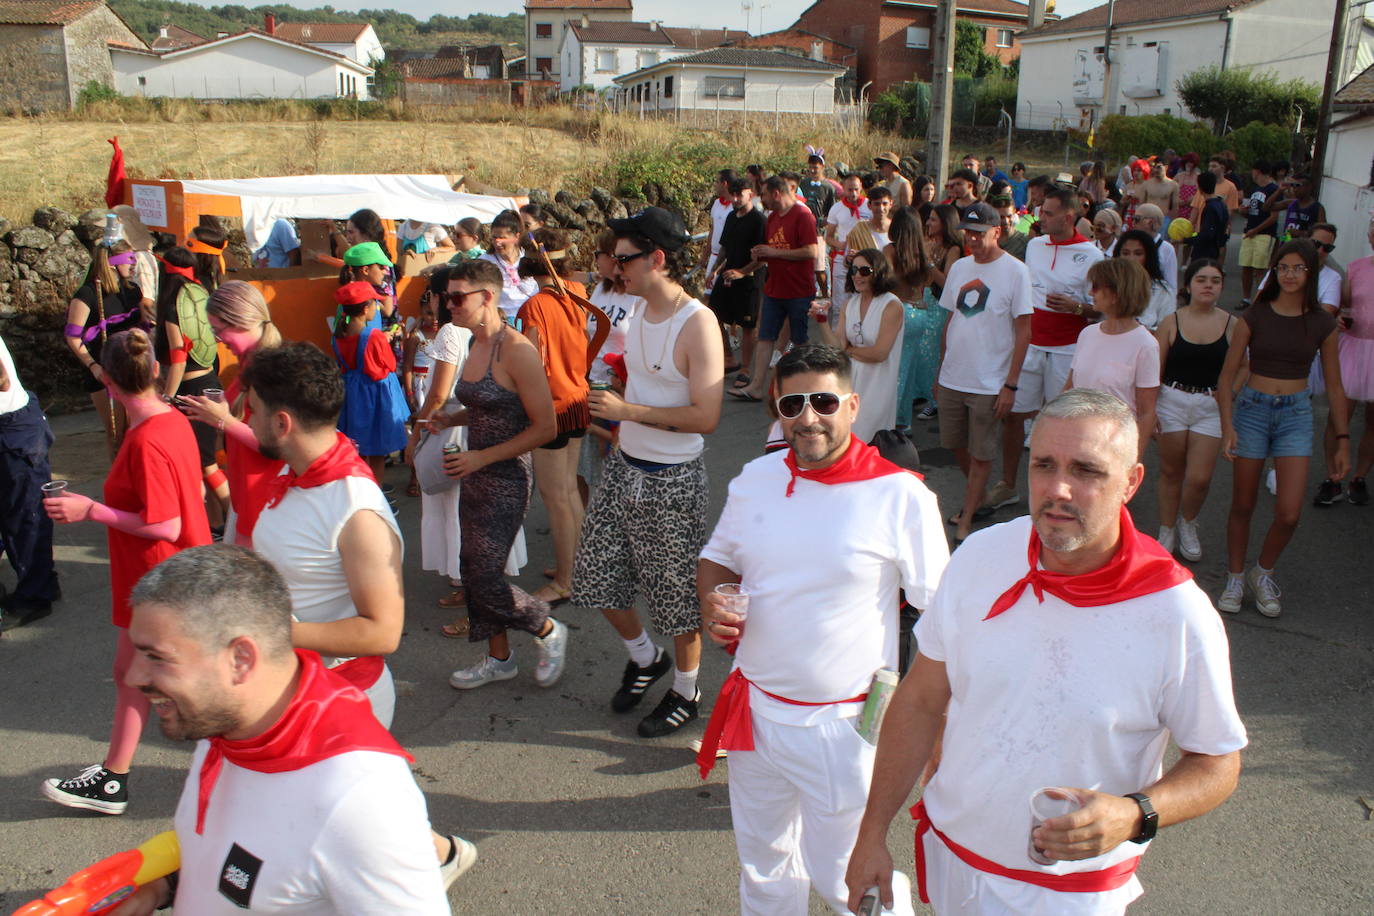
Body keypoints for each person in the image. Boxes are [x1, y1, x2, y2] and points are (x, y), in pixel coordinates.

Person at [845, 388, 1246, 916]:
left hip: (1067, 895)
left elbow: (1217, 762)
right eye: (1044, 465)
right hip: (952, 860)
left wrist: (1135, 813)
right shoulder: (982, 553)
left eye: (1086, 470)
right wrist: (871, 832)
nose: (1058, 489)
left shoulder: (1176, 614)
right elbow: (921, 698)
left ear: (1130, 482)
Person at [697, 344, 947, 916]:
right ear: (777, 409)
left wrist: (938, 724)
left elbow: (942, 618)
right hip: (754, 713)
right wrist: (713, 602)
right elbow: (717, 557)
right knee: (763, 868)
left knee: (847, 878)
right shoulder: (756, 478)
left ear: (852, 406)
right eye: (793, 404)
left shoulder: (900, 494)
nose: (808, 417)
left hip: (843, 728)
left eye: (824, 402)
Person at [113, 545, 452, 914]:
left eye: (157, 657)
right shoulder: (223, 721)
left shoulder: (359, 800)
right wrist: (163, 886)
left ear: (241, 660)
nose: (134, 677)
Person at [40, 328, 211, 814]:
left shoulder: (147, 439)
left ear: (108, 383)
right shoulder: (169, 420)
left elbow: (166, 524)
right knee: (134, 673)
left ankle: (119, 779)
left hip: (160, 578)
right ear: (155, 370)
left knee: (168, 678)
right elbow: (194, 493)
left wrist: (90, 510)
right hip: (168, 576)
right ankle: (114, 777)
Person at [573, 207, 724, 737]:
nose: (615, 269)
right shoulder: (635, 311)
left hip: (672, 479)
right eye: (614, 260)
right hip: (624, 466)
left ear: (657, 258)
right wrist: (607, 403)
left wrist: (627, 412)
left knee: (676, 597)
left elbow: (706, 417)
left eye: (624, 259)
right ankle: (645, 657)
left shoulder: (698, 322)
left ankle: (687, 690)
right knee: (594, 576)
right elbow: (636, 383)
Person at [436, 258, 569, 694]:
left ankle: (547, 628)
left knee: (485, 576)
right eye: (447, 297)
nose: (449, 305)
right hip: (474, 470)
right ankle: (499, 659)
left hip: (507, 476)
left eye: (457, 297)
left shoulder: (517, 350)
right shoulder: (474, 341)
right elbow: (485, 404)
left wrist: (482, 458)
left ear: (487, 297)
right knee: (471, 568)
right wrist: (451, 417)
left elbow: (546, 427)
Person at [1217, 240, 1349, 617]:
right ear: (1274, 272)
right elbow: (1226, 378)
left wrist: (1342, 440)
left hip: (1296, 414)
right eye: (1283, 267)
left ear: (1311, 273)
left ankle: (1262, 572)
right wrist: (1228, 426)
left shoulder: (1322, 323)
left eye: (1298, 268)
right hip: (1252, 411)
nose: (1290, 275)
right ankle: (1235, 576)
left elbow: (1335, 387)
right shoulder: (1255, 316)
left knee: (1289, 512)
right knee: (1243, 503)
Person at [998, 188, 1104, 514]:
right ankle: (1007, 485)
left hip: (1068, 349)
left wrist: (1076, 307)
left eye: (1048, 213)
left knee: (1063, 423)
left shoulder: (1092, 255)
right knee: (1014, 416)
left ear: (1068, 218)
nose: (1040, 217)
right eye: (1041, 211)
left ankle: (1061, 491)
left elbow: (1102, 309)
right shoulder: (1034, 245)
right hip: (1031, 344)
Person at [935, 202, 1033, 544]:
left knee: (981, 452)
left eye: (979, 233)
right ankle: (980, 497)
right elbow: (951, 319)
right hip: (953, 376)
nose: (972, 239)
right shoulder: (960, 267)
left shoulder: (1016, 272)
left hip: (990, 381)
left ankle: (967, 515)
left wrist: (1011, 385)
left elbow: (1024, 330)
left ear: (997, 232)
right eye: (968, 233)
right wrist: (940, 370)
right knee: (954, 444)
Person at [515, 231, 592, 608]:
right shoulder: (578, 291)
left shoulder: (534, 306)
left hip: (552, 405)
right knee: (568, 491)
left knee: (557, 496)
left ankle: (565, 581)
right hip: (578, 398)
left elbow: (529, 363)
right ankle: (576, 569)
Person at [176, 281, 285, 549]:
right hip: (246, 493)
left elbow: (275, 445)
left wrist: (223, 420)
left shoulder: (270, 369)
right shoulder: (249, 362)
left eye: (219, 330)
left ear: (241, 321)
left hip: (263, 499)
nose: (217, 338)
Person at [1154, 259, 1234, 561]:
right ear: (1188, 285)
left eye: (1215, 280)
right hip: (1172, 401)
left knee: (1200, 478)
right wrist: (1150, 410)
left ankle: (1187, 522)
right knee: (1171, 471)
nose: (1208, 285)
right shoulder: (1171, 321)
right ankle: (1166, 528)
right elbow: (1155, 369)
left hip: (1210, 406)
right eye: (1201, 279)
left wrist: (1230, 392)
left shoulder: (1233, 325)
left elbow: (1243, 365)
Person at [155, 245, 230, 532]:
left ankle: (236, 518)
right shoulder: (200, 294)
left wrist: (167, 397)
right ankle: (218, 522)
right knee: (204, 461)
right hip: (210, 383)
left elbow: (178, 358)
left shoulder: (173, 305)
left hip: (192, 390)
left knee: (205, 463)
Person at [730, 177, 820, 402]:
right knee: (765, 336)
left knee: (800, 340)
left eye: (764, 194)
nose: (762, 199)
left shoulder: (803, 215)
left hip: (799, 289)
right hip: (774, 288)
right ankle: (756, 386)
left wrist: (774, 253)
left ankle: (807, 387)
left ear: (776, 193)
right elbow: (772, 251)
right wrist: (760, 254)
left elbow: (811, 251)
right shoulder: (772, 218)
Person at [1063, 259, 1160, 458]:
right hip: (1076, 440)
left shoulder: (1145, 345)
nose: (1091, 293)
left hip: (1114, 449)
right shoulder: (1087, 334)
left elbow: (1146, 413)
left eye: (1096, 287)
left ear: (1117, 293)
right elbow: (1069, 389)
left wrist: (1133, 461)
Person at [64, 240, 144, 458]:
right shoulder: (87, 295)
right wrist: (93, 366)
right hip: (102, 370)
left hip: (131, 366)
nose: (134, 264)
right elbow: (72, 337)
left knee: (136, 427)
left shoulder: (132, 291)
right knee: (116, 432)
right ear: (111, 263)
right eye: (129, 259)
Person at [0, 332, 59, 630]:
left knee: (26, 517)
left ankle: (36, 595)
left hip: (14, 430)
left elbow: (2, 380)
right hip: (12, 428)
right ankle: (41, 582)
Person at [814, 248, 904, 440]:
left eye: (864, 271)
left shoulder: (891, 305)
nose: (857, 275)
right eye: (853, 270)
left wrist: (849, 350)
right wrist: (822, 321)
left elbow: (879, 353)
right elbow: (837, 348)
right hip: (850, 383)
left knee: (871, 441)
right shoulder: (850, 304)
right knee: (846, 440)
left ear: (878, 272)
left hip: (878, 385)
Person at [1320, 213, 1374, 506]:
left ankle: (1359, 477)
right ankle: (1333, 478)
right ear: (1369, 235)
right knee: (1338, 417)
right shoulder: (1355, 268)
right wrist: (1340, 317)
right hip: (1353, 349)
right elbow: (1343, 307)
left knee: (1373, 423)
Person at [332, 281, 409, 483]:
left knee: (358, 449)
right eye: (375, 303)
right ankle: (376, 492)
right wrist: (385, 341)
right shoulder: (373, 335)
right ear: (366, 308)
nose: (377, 307)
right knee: (377, 451)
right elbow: (389, 364)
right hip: (375, 399)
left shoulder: (338, 335)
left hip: (352, 398)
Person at [706, 177, 767, 387]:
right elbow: (725, 247)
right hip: (727, 275)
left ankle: (745, 369)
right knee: (713, 314)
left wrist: (742, 272)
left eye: (739, 195)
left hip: (750, 278)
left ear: (750, 194)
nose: (735, 199)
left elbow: (763, 256)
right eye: (732, 194)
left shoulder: (759, 220)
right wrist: (714, 270)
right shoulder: (731, 216)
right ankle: (729, 357)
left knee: (748, 325)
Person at [887, 207, 942, 428]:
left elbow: (885, 282)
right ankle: (904, 422)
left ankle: (890, 422)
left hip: (898, 312)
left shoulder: (890, 250)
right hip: (918, 312)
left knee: (894, 372)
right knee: (908, 370)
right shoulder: (922, 253)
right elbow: (929, 282)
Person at [824, 174, 871, 314]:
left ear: (861, 187)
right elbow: (829, 237)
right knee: (839, 305)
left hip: (866, 257)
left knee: (863, 302)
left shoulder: (870, 206)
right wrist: (840, 245)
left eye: (856, 189)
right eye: (850, 190)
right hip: (842, 258)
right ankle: (837, 328)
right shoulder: (836, 208)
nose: (853, 194)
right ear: (843, 189)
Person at [481, 210, 539, 321]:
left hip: (532, 315)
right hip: (502, 319)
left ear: (516, 237)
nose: (497, 242)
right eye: (494, 237)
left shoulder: (529, 256)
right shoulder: (484, 262)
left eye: (502, 238)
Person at [1114, 229, 1176, 330]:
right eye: (1125, 253)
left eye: (1138, 254)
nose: (1131, 259)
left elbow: (1167, 330)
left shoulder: (1163, 292)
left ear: (1148, 256)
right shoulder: (1108, 286)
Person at [1238, 160, 1280, 306]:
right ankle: (1246, 298)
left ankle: (1261, 300)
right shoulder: (1255, 189)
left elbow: (1274, 217)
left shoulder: (1273, 189)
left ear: (1258, 171)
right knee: (1246, 266)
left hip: (1264, 234)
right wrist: (1243, 212)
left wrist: (1255, 230)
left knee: (1260, 268)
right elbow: (1251, 210)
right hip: (1249, 231)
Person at [1131, 204, 1179, 294]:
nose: (1133, 223)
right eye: (1132, 219)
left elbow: (1171, 284)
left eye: (1137, 219)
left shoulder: (1167, 249)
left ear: (1151, 222)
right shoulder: (1130, 244)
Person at [923, 203, 963, 300]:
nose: (927, 223)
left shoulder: (953, 250)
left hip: (940, 304)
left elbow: (946, 284)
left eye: (933, 220)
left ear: (945, 223)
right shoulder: (930, 245)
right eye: (929, 219)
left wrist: (928, 261)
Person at [1188, 172, 1230, 263]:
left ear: (1200, 188)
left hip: (1204, 254)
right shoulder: (1222, 204)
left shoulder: (1210, 207)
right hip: (1215, 252)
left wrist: (1185, 240)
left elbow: (1206, 235)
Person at [994, 196, 1029, 261]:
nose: (1006, 221)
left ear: (1014, 213)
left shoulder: (1025, 241)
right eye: (1001, 217)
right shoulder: (987, 239)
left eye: (1009, 216)